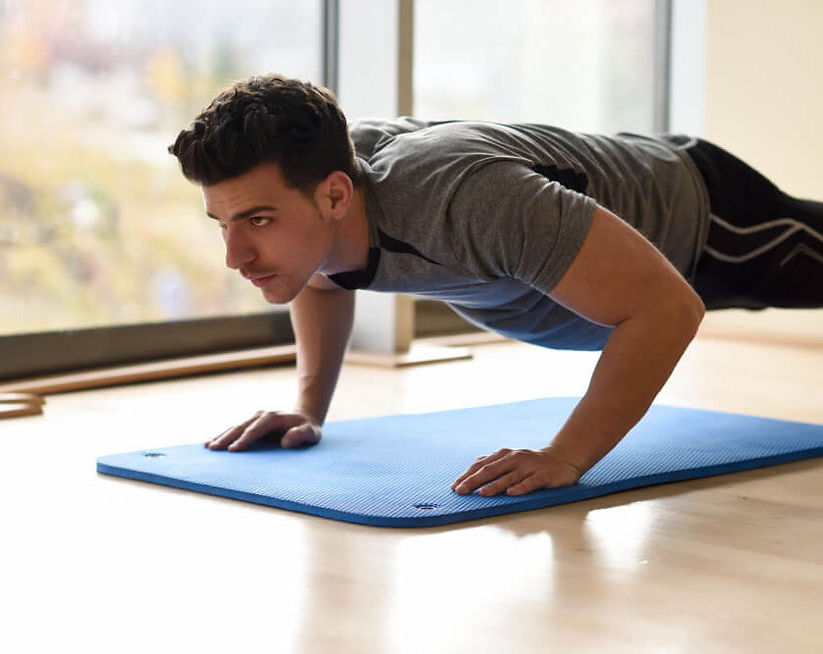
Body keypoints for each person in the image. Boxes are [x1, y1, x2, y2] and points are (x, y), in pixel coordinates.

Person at [168, 74, 823, 498]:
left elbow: (668, 308)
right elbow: (319, 269)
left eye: (257, 220)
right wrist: (310, 407)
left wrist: (565, 456)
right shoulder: (326, 205)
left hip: (705, 219)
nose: (235, 255)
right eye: (222, 223)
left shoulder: (463, 200)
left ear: (336, 194)